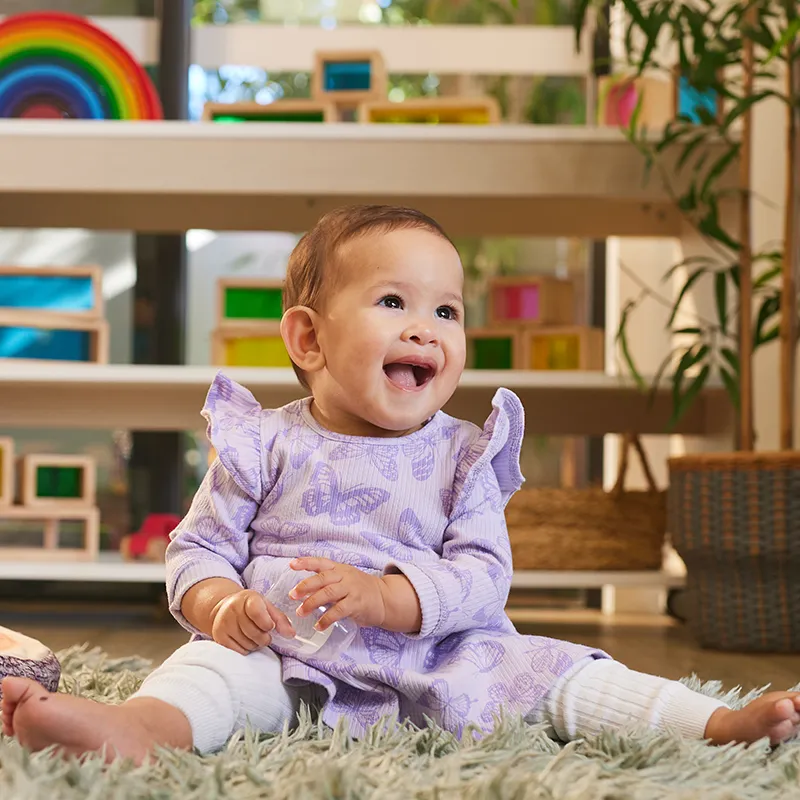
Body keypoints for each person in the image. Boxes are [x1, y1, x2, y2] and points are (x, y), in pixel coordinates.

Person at [3, 205, 798, 763]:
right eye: (393, 302)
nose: (427, 328)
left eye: (447, 312)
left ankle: (715, 723)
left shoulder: (464, 455)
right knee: (212, 674)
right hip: (290, 650)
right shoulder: (263, 441)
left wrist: (389, 598)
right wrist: (222, 605)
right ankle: (136, 729)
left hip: (443, 654)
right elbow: (200, 548)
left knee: (566, 676)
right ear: (309, 338)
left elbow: (485, 577)